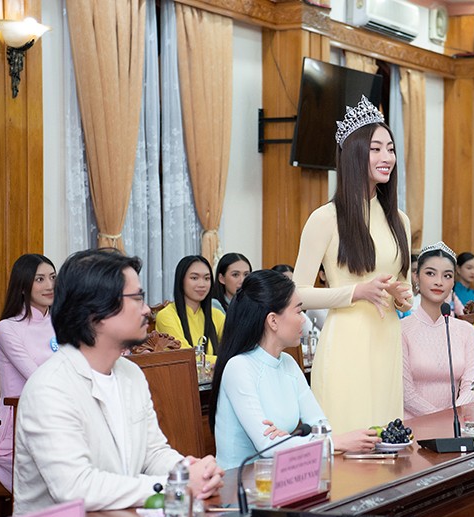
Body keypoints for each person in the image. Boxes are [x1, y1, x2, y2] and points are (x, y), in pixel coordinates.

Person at [13, 249, 223, 514]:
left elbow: (153, 453)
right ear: (96, 312)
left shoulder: (130, 374)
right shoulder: (50, 388)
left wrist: (190, 471)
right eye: (137, 298)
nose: (147, 309)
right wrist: (176, 486)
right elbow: (76, 488)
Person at [292, 96, 412, 434]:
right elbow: (297, 294)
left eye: (390, 148)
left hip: (387, 339)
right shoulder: (325, 218)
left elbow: (407, 292)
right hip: (347, 342)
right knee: (351, 439)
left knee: (387, 439)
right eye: (376, 149)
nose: (387, 157)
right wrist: (356, 292)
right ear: (355, 153)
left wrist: (403, 298)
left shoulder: (399, 220)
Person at [211, 270, 380, 469]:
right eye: (298, 311)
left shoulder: (288, 362)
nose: (303, 320)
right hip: (238, 485)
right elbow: (267, 446)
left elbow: (320, 426)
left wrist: (287, 441)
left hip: (283, 473)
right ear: (273, 320)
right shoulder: (239, 367)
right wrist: (337, 443)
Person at [0, 254, 57, 492]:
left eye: (53, 278)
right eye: (40, 279)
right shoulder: (8, 328)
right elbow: (38, 378)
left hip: (57, 415)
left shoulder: (60, 321)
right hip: (18, 425)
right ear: (23, 286)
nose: (50, 285)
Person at [401, 242, 474, 419]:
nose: (439, 282)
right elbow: (406, 394)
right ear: (416, 277)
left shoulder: (467, 331)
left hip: (457, 425)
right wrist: (444, 418)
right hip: (413, 427)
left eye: (447, 275)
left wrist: (453, 417)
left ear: (453, 283)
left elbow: (470, 386)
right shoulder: (402, 330)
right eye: (430, 273)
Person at [155, 255, 225, 364]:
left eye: (207, 278)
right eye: (194, 278)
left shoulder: (216, 314)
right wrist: (225, 362)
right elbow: (186, 356)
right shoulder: (166, 315)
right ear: (181, 280)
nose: (202, 284)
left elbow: (236, 345)